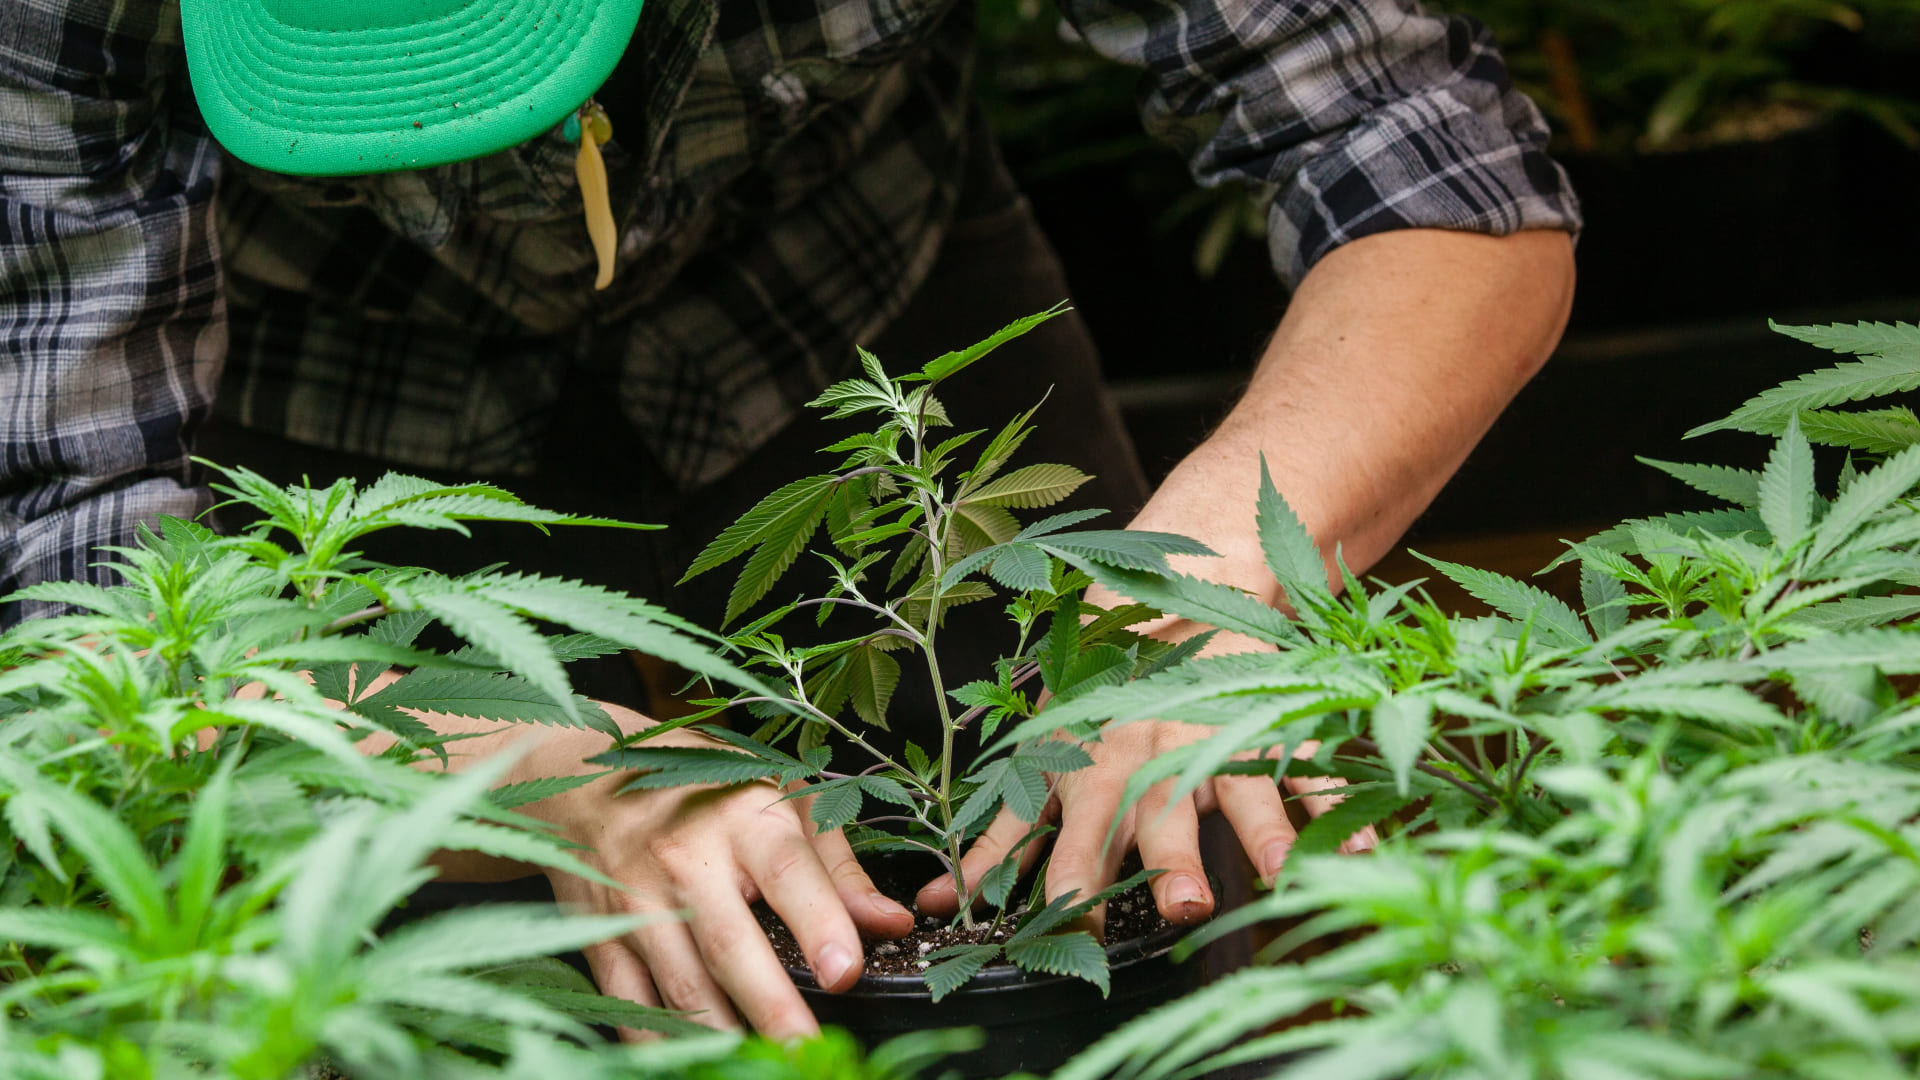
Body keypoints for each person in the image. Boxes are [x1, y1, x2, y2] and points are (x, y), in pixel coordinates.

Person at [1, 0, 1579, 1042]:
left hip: (852, 291)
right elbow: (80, 579)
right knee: (440, 999)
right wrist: (533, 776)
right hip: (327, 417)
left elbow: (1431, 167)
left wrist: (1210, 587)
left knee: (1119, 882)